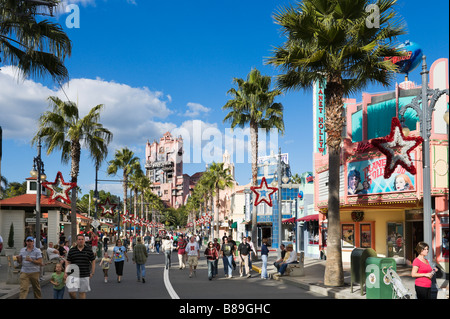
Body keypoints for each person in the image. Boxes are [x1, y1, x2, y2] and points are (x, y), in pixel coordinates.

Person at [65, 234, 96, 299]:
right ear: (76, 241)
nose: (81, 241)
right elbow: (68, 261)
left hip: (84, 273)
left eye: (82, 239)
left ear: (84, 240)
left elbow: (93, 260)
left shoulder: (88, 250)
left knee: (82, 292)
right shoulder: (72, 250)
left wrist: (92, 272)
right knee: (71, 292)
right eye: (79, 239)